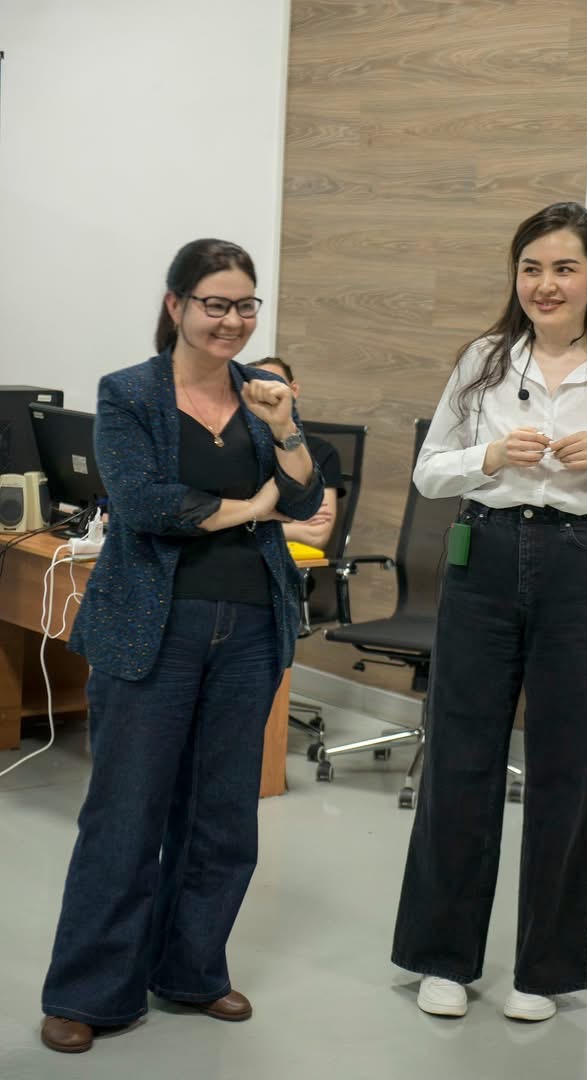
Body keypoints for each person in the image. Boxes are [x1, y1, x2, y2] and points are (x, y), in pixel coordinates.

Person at [40, 238, 323, 1053]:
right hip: (152, 628)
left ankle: (192, 971)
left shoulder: (262, 394)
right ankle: (89, 992)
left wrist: (285, 429)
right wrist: (255, 506)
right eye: (215, 304)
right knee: (126, 813)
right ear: (177, 306)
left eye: (245, 306)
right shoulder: (129, 391)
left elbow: (305, 496)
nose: (231, 321)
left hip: (250, 628)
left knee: (222, 816)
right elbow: (146, 504)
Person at [391, 203, 587, 1023]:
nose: (545, 284)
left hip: (581, 566)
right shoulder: (483, 360)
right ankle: (442, 958)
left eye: (563, 268)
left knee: (567, 766)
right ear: (515, 277)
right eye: (530, 268)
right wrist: (486, 455)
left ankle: (541, 972)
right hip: (482, 554)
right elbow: (429, 473)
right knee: (460, 756)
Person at [251, 357, 346, 552]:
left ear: (293, 390)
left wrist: (249, 520)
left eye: (274, 384)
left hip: (290, 560)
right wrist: (292, 524)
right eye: (258, 389)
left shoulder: (320, 451)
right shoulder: (232, 445)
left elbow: (316, 535)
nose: (267, 394)